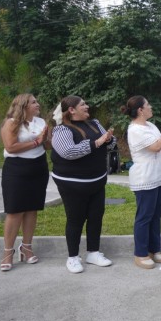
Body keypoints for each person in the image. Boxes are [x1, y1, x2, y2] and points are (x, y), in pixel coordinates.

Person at [51, 95, 115, 273]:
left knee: (96, 216)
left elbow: (110, 144)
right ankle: (72, 257)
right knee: (75, 219)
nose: (87, 106)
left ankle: (93, 253)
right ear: (71, 110)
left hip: (97, 181)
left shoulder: (95, 123)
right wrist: (97, 143)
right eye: (83, 105)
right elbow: (68, 152)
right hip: (72, 184)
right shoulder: (62, 130)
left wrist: (109, 140)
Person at [122, 96, 161, 269]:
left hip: (156, 177)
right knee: (144, 216)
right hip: (145, 179)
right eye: (148, 104)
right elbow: (156, 147)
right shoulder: (135, 130)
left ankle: (153, 249)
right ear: (140, 110)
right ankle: (140, 254)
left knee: (156, 214)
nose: (151, 106)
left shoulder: (150, 125)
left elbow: (159, 142)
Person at [0, 94, 51, 272]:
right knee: (15, 210)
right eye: (33, 102)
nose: (38, 104)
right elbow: (10, 147)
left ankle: (26, 247)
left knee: (32, 209)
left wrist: (47, 138)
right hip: (16, 169)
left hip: (38, 167)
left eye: (37, 101)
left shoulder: (41, 122)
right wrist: (36, 141)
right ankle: (8, 251)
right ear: (23, 106)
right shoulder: (12, 123)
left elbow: (47, 146)